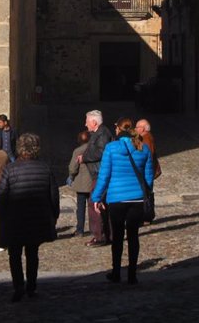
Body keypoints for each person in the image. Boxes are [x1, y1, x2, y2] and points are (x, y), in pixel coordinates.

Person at [0, 133, 59, 302]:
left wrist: (0, 215)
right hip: (36, 218)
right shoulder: (45, 168)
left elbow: (1, 195)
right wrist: (54, 215)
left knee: (14, 255)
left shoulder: (10, 169)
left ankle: (18, 287)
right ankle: (31, 286)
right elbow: (54, 195)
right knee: (32, 253)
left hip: (15, 219)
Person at [91, 118, 154, 285]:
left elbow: (104, 176)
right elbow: (148, 178)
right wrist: (144, 193)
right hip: (137, 199)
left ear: (119, 132)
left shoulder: (111, 149)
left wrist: (96, 197)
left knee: (117, 237)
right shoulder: (143, 149)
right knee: (133, 236)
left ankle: (116, 272)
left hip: (117, 198)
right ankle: (132, 274)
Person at [77, 109, 113, 247]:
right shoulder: (98, 133)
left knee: (95, 204)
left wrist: (84, 157)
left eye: (87, 121)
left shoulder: (102, 133)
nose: (85, 124)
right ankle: (106, 234)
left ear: (93, 122)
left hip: (99, 174)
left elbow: (101, 152)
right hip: (97, 173)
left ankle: (99, 236)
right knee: (102, 204)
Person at [67, 130, 92, 237]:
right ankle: (94, 228)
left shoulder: (78, 151)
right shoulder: (94, 149)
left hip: (81, 183)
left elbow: (73, 168)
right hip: (92, 182)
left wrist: (71, 176)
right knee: (93, 207)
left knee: (81, 208)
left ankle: (80, 229)